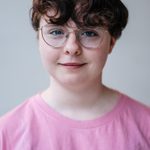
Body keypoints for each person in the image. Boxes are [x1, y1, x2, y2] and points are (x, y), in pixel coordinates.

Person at [0, 0, 150, 149]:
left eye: (89, 33)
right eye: (56, 32)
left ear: (111, 42)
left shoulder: (145, 127)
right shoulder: (6, 134)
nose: (72, 48)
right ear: (39, 39)